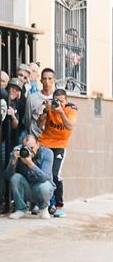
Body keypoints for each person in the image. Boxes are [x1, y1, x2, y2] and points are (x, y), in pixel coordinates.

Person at [37, 86, 79, 217]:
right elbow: (38, 125)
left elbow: (70, 126)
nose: (58, 103)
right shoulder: (49, 107)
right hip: (44, 143)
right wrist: (45, 112)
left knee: (55, 174)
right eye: (56, 100)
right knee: (44, 174)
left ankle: (59, 205)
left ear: (66, 100)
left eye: (61, 101)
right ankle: (47, 204)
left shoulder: (70, 109)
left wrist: (60, 112)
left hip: (60, 145)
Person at [4, 132, 54, 220]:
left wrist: (30, 164)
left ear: (38, 145)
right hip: (27, 188)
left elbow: (45, 178)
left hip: (41, 188)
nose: (29, 151)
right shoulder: (19, 152)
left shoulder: (47, 153)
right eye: (26, 148)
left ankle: (44, 208)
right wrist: (14, 161)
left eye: (32, 148)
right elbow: (8, 176)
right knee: (15, 178)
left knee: (45, 186)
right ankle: (20, 209)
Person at [26, 67, 56, 138]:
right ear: (41, 80)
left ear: (54, 80)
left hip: (53, 138)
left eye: (50, 78)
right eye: (44, 79)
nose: (47, 81)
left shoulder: (58, 98)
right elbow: (28, 119)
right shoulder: (32, 98)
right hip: (36, 137)